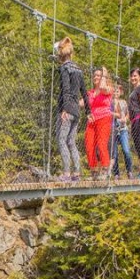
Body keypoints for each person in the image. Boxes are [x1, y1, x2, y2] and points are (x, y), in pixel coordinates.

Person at [54, 37, 90, 181]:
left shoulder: (64, 68)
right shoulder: (78, 70)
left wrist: (64, 109)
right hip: (77, 112)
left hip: (67, 110)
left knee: (61, 140)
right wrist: (88, 111)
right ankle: (77, 173)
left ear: (60, 54)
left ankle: (66, 173)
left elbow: (66, 90)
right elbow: (84, 93)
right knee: (71, 141)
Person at [84, 67, 113, 179]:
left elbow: (102, 87)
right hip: (92, 120)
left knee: (101, 144)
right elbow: (82, 102)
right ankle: (94, 172)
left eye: (98, 75)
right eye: (94, 75)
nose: (95, 77)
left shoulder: (108, 89)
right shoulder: (90, 92)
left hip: (104, 118)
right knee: (89, 145)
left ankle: (105, 170)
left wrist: (104, 74)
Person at [110, 81, 133, 178]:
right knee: (114, 153)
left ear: (121, 92)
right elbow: (107, 113)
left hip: (123, 128)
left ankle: (129, 170)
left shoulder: (123, 102)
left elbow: (127, 114)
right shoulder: (109, 102)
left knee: (126, 150)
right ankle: (116, 173)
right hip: (113, 128)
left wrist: (125, 119)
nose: (115, 93)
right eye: (114, 91)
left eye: (117, 91)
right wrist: (117, 115)